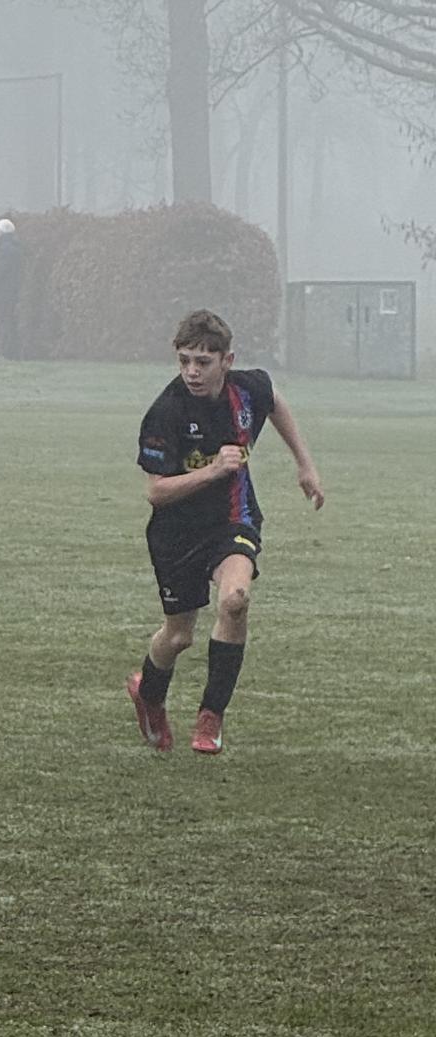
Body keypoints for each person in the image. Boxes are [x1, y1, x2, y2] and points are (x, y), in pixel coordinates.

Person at [127, 309, 323, 758]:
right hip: (176, 533)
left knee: (235, 600)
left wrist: (305, 464)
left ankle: (211, 714)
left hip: (233, 519)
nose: (192, 372)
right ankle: (149, 695)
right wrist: (214, 470)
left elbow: (275, 400)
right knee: (179, 636)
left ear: (226, 360)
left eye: (203, 361)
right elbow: (156, 492)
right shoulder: (166, 411)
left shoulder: (247, 389)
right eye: (184, 361)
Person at [0, 216, 22, 359]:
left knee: (4, 321)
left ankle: (6, 353)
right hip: (13, 290)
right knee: (10, 321)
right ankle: (12, 353)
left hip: (4, 292)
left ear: (2, 232)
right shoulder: (15, 247)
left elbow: (1, 271)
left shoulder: (5, 249)